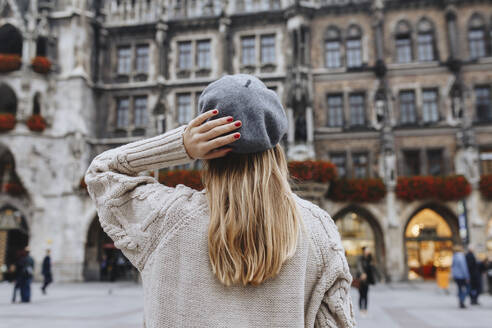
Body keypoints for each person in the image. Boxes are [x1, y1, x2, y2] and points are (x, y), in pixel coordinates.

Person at [85, 74, 355, 327]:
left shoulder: (166, 218)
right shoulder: (317, 230)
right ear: (276, 151)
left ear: (207, 149)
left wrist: (181, 144)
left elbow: (101, 173)